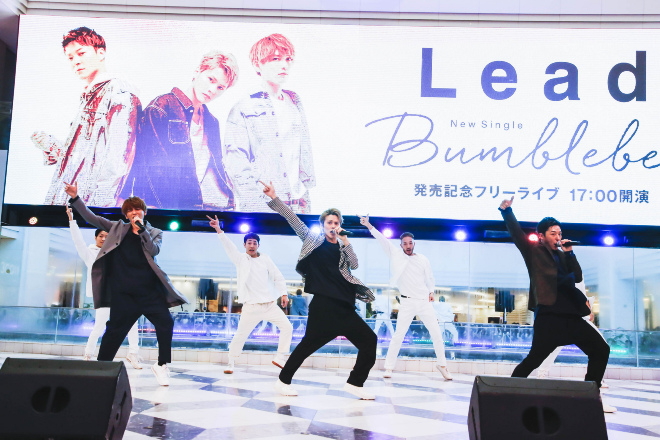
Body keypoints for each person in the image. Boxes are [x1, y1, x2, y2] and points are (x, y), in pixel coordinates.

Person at [66, 181, 188, 386]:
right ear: (125, 214)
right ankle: (101, 370)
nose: (133, 213)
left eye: (137, 209)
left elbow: (154, 250)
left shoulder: (155, 232)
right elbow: (91, 218)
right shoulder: (117, 228)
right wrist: (75, 198)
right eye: (129, 210)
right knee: (113, 332)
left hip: (150, 293)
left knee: (166, 323)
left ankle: (161, 365)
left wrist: (142, 230)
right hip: (124, 294)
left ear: (144, 212)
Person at [499, 196, 615, 413]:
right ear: (541, 236)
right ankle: (507, 394)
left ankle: (590, 396)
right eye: (553, 233)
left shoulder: (563, 255)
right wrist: (506, 211)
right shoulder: (533, 251)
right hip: (549, 317)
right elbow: (516, 233)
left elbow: (577, 276)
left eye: (559, 233)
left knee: (601, 349)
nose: (558, 237)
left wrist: (570, 253)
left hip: (570, 315)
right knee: (534, 360)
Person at [262, 181, 377, 399]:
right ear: (323, 224)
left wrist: (345, 240)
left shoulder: (342, 247)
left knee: (369, 341)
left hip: (345, 308)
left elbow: (354, 265)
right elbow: (293, 219)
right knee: (307, 345)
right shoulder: (312, 240)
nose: (333, 225)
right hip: (324, 306)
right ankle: (283, 381)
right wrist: (274, 197)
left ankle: (355, 383)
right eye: (329, 222)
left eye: (336, 222)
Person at [32, 27, 141, 207]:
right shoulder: (89, 95)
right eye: (70, 58)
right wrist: (53, 148)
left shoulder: (119, 92)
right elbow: (84, 158)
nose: (76, 61)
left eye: (81, 53)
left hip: (88, 205)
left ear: (101, 53)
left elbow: (118, 157)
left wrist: (99, 208)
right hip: (67, 201)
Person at [122, 51, 238, 210]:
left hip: (198, 208)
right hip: (163, 207)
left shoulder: (212, 122)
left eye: (220, 87)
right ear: (197, 71)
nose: (213, 90)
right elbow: (146, 165)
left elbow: (213, 170)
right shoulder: (162, 107)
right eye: (211, 79)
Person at [224, 34, 315, 213]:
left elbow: (301, 155)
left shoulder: (295, 102)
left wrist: (305, 197)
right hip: (265, 206)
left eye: (288, 59)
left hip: (298, 205)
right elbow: (236, 164)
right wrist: (255, 207)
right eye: (276, 59)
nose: (284, 65)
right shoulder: (244, 107)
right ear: (258, 64)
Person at [360, 217, 452, 380]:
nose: (408, 246)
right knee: (398, 336)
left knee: (437, 334)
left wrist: (431, 291)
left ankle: (442, 365)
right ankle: (389, 367)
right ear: (401, 245)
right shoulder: (396, 254)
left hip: (424, 302)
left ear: (414, 243)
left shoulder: (422, 259)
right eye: (405, 244)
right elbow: (382, 239)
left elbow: (430, 277)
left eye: (410, 243)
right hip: (407, 302)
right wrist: (368, 225)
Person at [208, 215, 293, 374]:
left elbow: (278, 276)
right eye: (249, 243)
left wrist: (284, 294)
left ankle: (280, 356)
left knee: (287, 327)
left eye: (254, 243)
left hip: (269, 305)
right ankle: (231, 362)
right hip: (251, 307)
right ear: (245, 245)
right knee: (240, 335)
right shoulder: (240, 259)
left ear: (258, 245)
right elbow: (229, 246)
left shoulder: (266, 259)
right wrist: (218, 229)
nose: (252, 245)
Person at [67, 206, 141, 367]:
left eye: (107, 236)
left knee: (132, 323)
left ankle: (133, 353)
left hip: (120, 294)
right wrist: (72, 221)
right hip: (103, 295)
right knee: (99, 326)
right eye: (101, 236)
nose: (103, 239)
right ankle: (88, 354)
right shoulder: (89, 253)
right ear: (95, 238)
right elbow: (78, 241)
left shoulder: (115, 252)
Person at [536, 281, 609, 388]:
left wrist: (587, 309)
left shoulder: (575, 276)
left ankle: (596, 381)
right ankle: (540, 374)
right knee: (601, 347)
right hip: (570, 316)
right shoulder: (567, 276)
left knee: (601, 347)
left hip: (576, 316)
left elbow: (580, 292)